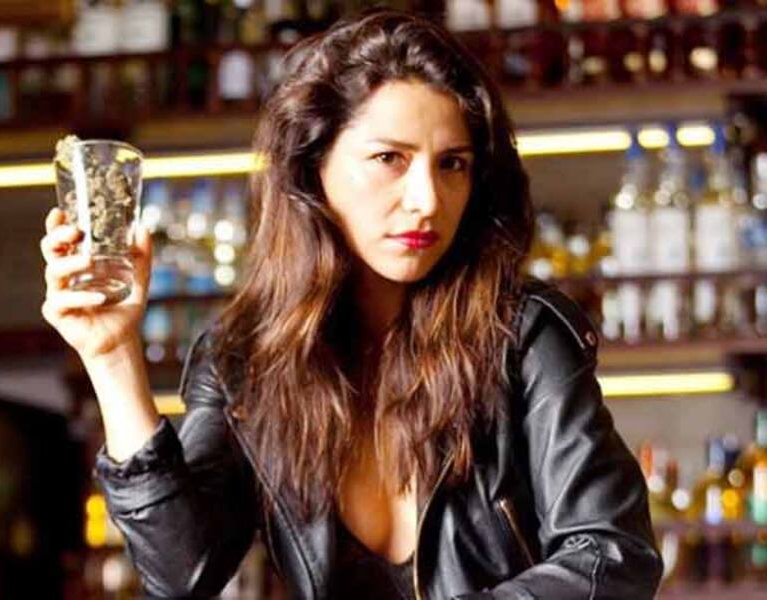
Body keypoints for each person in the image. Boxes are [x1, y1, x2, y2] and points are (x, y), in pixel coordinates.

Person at [39, 8, 663, 599]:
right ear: (314, 167)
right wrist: (112, 357)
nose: (426, 199)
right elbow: (183, 573)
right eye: (390, 159)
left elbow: (612, 555)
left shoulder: (523, 334)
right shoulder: (243, 360)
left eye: (452, 164)